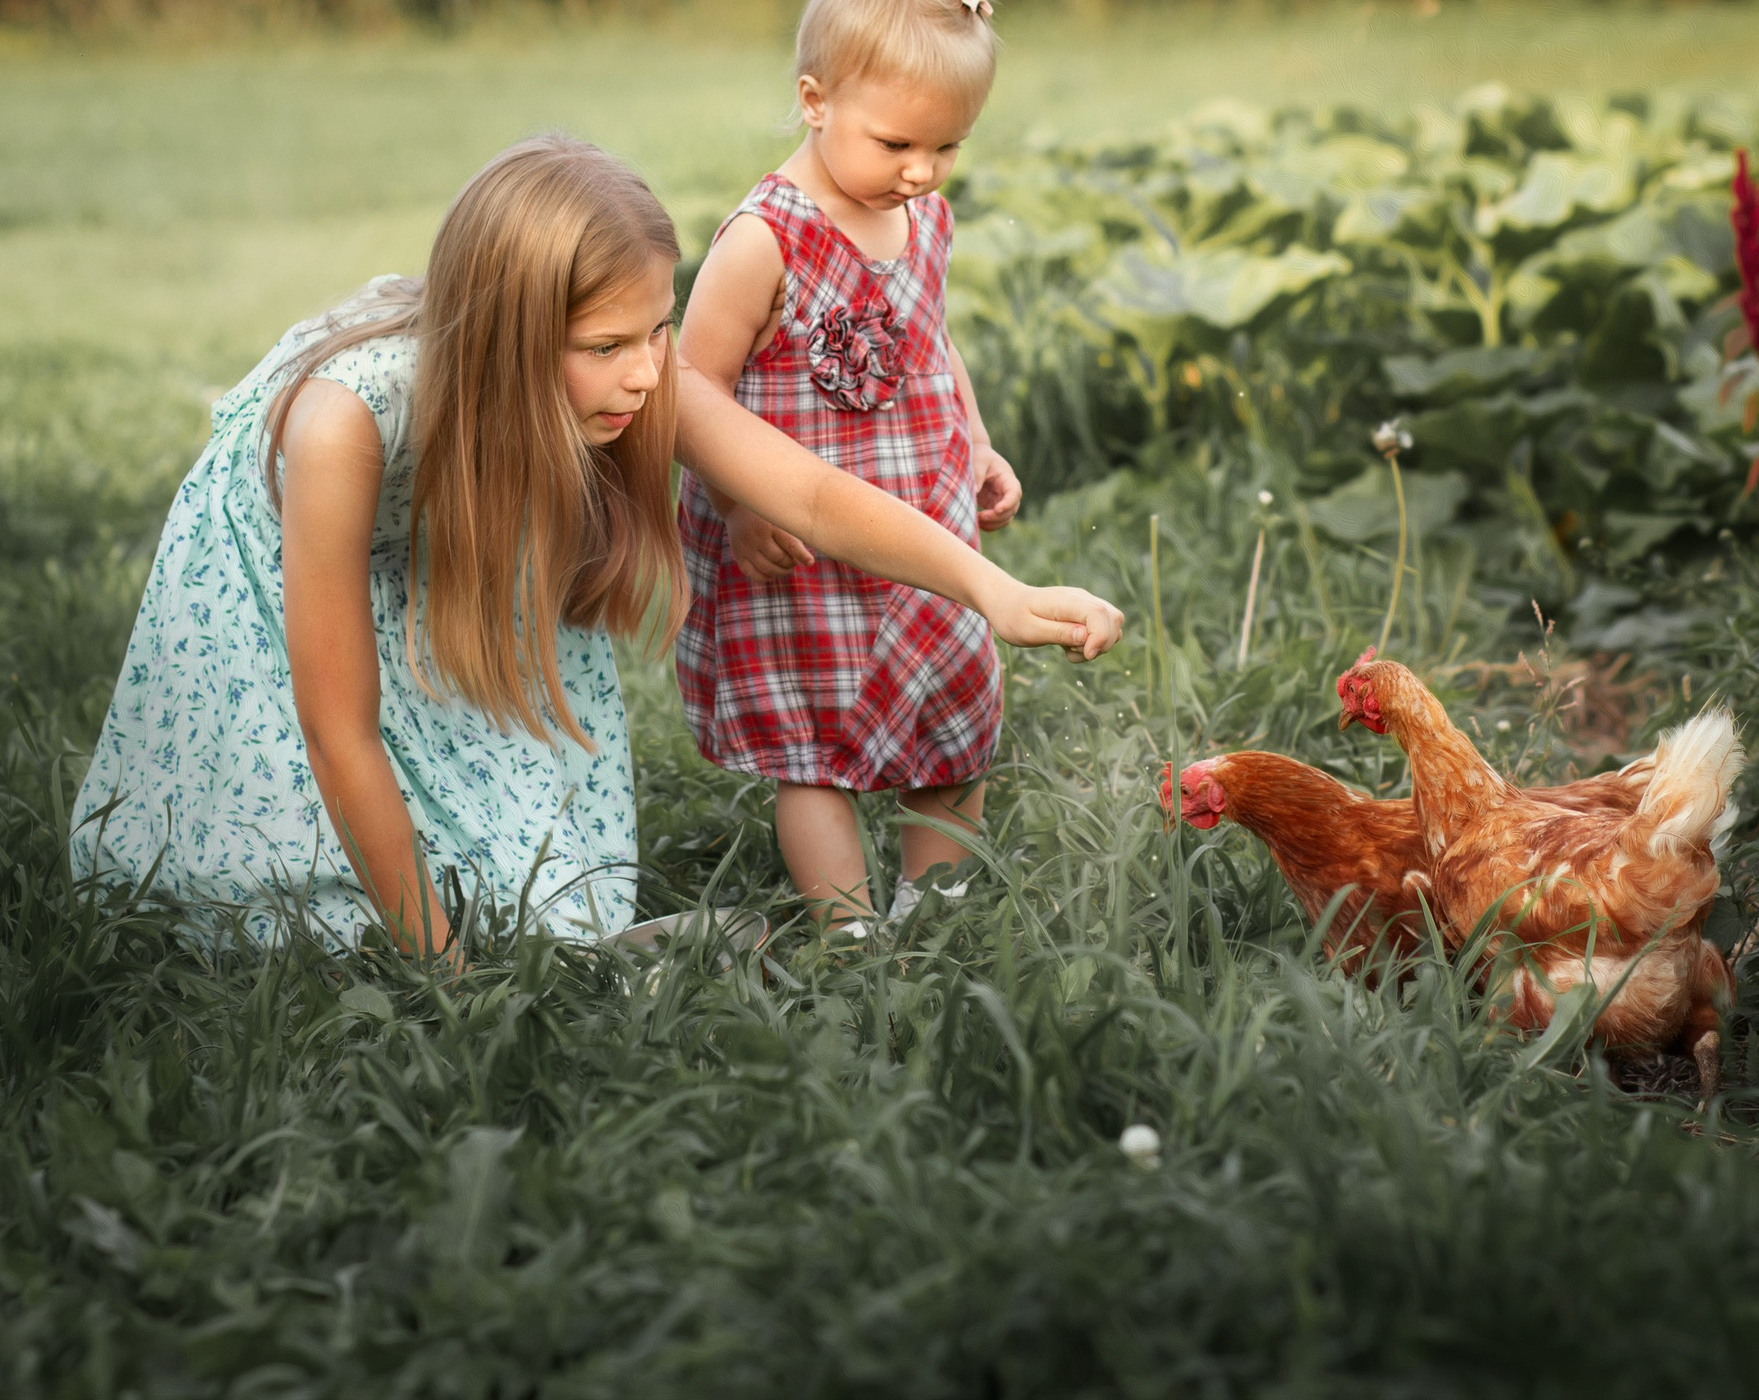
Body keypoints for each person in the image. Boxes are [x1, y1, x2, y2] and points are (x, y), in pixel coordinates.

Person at [70, 135, 1120, 955]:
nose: (647, 372)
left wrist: (993, 590)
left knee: (536, 895)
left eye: (659, 328)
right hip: (285, 559)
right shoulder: (343, 422)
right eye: (606, 347)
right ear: (511, 343)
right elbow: (337, 727)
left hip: (457, 521)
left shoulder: (638, 374)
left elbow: (804, 489)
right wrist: (449, 987)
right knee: (294, 895)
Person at [675, 0, 1023, 931]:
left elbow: (930, 342)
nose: (921, 172)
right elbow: (692, 388)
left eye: (947, 148)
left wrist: (980, 443)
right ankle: (851, 931)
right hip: (799, 550)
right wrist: (740, 506)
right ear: (815, 99)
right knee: (813, 747)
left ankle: (936, 907)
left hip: (923, 527)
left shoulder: (923, 221)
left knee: (954, 727)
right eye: (897, 145)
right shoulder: (766, 239)